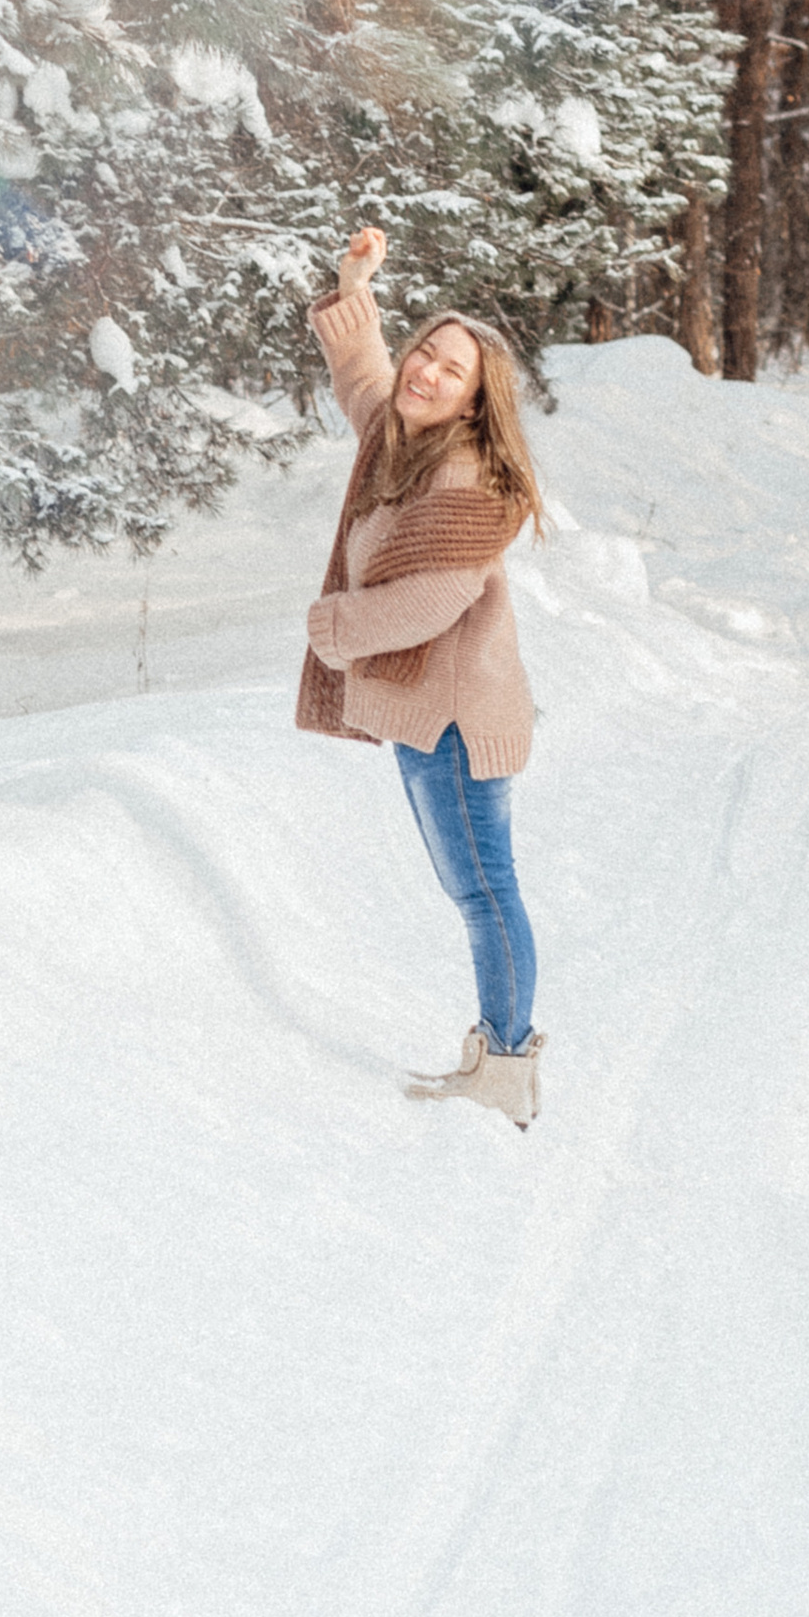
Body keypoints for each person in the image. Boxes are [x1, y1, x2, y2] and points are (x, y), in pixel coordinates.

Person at [297, 224, 549, 1125]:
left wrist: (336, 628)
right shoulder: (400, 443)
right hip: (428, 716)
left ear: (477, 403)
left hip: (454, 722)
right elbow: (362, 377)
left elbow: (431, 601)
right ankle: (498, 1052)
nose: (428, 374)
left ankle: (506, 1063)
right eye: (425, 355)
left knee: (484, 891)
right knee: (474, 888)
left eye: (453, 372)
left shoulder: (466, 477)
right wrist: (354, 284)